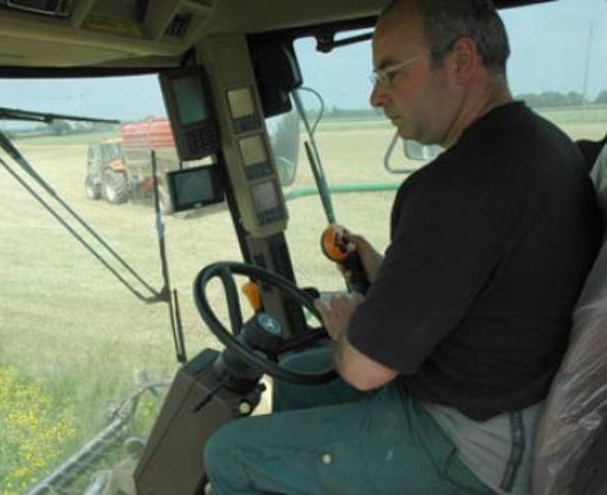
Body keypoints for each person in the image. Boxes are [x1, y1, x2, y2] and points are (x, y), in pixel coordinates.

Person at [204, 0, 601, 493]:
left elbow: (364, 369)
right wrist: (386, 269)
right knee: (294, 375)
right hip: (508, 402)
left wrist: (349, 325)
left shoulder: (458, 185)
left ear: (460, 61)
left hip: (472, 447)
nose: (375, 96)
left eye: (390, 74)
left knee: (228, 453)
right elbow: (477, 284)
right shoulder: (542, 146)